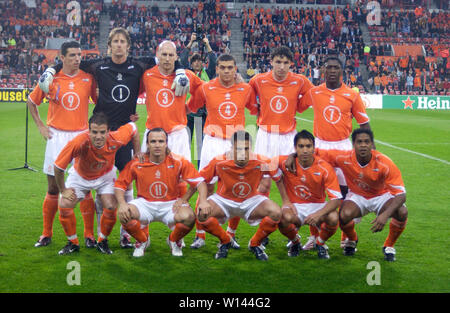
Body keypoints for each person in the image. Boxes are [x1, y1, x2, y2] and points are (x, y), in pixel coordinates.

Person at [38, 28, 190, 248]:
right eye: (115, 42)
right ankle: (99, 235)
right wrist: (51, 70)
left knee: (128, 184)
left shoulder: (139, 64)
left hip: (125, 134)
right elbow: (71, 61)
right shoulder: (98, 65)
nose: (119, 45)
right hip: (101, 135)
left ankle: (126, 234)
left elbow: (168, 58)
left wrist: (181, 70)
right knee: (101, 186)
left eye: (123, 41)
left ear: (128, 46)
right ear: (109, 46)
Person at [292, 56, 374, 250]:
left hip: (343, 147)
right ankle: (314, 237)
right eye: (328, 67)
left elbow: (364, 124)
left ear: (342, 71)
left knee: (346, 194)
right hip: (319, 147)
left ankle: (347, 238)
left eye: (335, 68)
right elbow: (297, 106)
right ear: (322, 70)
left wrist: (371, 152)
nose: (331, 71)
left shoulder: (351, 95)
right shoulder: (315, 92)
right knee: (315, 191)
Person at [28, 41, 97, 248]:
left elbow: (100, 101)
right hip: (56, 136)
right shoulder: (50, 79)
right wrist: (40, 125)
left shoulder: (88, 77)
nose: (77, 59)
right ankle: (46, 234)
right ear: (63, 57)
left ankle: (89, 235)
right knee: (52, 188)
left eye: (79, 55)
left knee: (85, 188)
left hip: (81, 136)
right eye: (73, 55)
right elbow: (31, 102)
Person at [187, 53, 258, 249]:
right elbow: (190, 107)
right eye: (222, 67)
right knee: (206, 187)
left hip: (236, 144)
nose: (226, 71)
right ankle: (200, 235)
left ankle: (230, 234)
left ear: (235, 69)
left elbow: (255, 109)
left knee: (236, 188)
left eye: (230, 67)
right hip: (212, 140)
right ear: (216, 69)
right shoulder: (206, 88)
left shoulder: (245, 89)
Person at [184, 131, 282, 261]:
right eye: (239, 149)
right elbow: (199, 180)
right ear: (231, 148)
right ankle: (225, 241)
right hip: (224, 200)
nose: (243, 152)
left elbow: (280, 174)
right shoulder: (219, 161)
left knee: (276, 213)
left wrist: (286, 202)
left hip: (251, 201)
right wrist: (187, 200)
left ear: (251, 148)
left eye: (246, 148)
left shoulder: (261, 161)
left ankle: (255, 244)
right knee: (202, 214)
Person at [53, 112, 140, 255]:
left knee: (111, 206)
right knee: (64, 205)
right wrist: (63, 190)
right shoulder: (79, 142)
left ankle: (102, 241)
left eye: (102, 132)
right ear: (89, 130)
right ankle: (73, 243)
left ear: (108, 131)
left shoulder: (116, 138)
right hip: (80, 177)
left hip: (105, 176)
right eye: (94, 132)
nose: (98, 137)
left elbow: (133, 128)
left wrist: (137, 153)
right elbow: (58, 166)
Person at [114, 128, 210, 257]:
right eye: (153, 141)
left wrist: (193, 200)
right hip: (145, 203)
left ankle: (173, 241)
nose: (157, 145)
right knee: (124, 214)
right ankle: (142, 241)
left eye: (161, 141)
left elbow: (199, 183)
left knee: (189, 217)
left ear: (166, 143)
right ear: (147, 144)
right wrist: (122, 204)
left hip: (170, 204)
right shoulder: (137, 162)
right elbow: (120, 184)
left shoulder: (178, 161)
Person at [333, 129, 408, 262]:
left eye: (366, 142)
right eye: (359, 142)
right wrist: (293, 156)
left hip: (381, 196)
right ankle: (352, 239)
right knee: (344, 215)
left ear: (372, 144)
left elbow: (401, 195)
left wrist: (385, 215)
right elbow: (318, 155)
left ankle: (389, 246)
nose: (363, 145)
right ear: (353, 144)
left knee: (402, 212)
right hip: (357, 196)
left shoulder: (384, 162)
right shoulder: (342, 158)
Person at [249, 46, 314, 197]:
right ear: (271, 62)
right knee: (264, 183)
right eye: (278, 62)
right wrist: (256, 108)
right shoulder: (258, 80)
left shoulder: (299, 81)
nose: (282, 66)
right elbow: (247, 97)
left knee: (292, 180)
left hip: (288, 136)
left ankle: (290, 216)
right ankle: (264, 218)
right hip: (265, 135)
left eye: (285, 63)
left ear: (291, 63)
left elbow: (313, 94)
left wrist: (299, 106)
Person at [274, 130, 342, 259]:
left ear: (313, 148)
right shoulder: (285, 162)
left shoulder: (324, 167)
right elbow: (267, 164)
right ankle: (295, 242)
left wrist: (318, 214)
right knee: (282, 218)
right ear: (295, 148)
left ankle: (320, 243)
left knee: (333, 217)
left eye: (308, 146)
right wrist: (285, 200)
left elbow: (336, 200)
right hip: (295, 206)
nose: (305, 150)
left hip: (317, 205)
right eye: (301, 146)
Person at [140, 40, 203, 162]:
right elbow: (133, 92)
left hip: (178, 134)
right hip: (153, 133)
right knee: (148, 175)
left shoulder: (186, 76)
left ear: (176, 57)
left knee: (181, 177)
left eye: (170, 55)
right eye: (164, 55)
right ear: (157, 55)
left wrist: (190, 107)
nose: (167, 59)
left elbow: (202, 91)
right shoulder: (147, 75)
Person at [180, 33, 217, 150]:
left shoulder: (208, 73)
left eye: (199, 60)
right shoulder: (187, 73)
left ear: (202, 63)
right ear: (191, 64)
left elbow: (213, 61)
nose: (197, 62)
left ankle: (201, 168)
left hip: (203, 114)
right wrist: (191, 42)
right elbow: (183, 58)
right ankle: (185, 167)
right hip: (188, 114)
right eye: (194, 60)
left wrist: (207, 44)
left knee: (201, 146)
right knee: (185, 144)